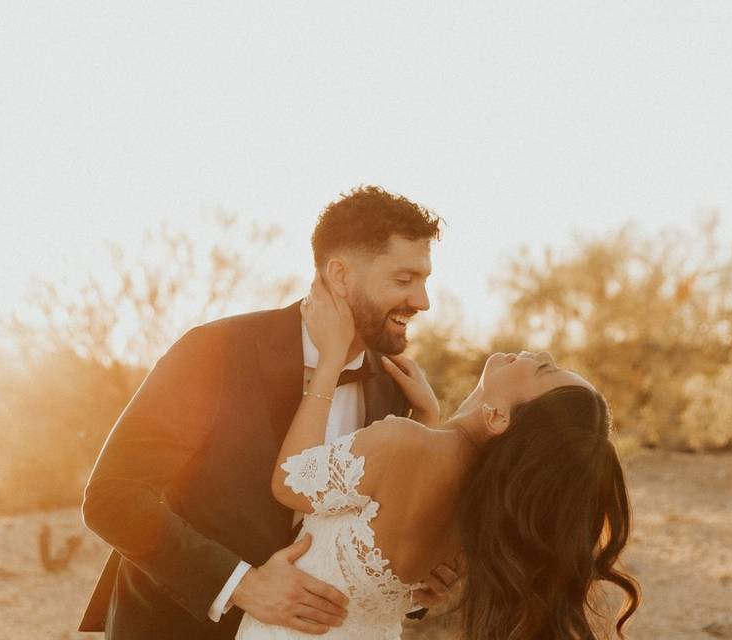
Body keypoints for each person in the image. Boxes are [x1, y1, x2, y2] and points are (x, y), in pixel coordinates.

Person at [78, 186, 458, 639]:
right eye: (403, 280)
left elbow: (366, 538)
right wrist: (240, 584)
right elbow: (112, 497)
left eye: (424, 280)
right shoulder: (214, 351)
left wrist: (415, 581)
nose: (422, 301)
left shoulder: (395, 390)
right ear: (339, 276)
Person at [236, 277, 640, 639]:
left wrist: (331, 359)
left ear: (498, 417)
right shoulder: (483, 501)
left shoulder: (404, 443)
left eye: (545, 372)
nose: (543, 352)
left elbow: (289, 481)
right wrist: (429, 416)